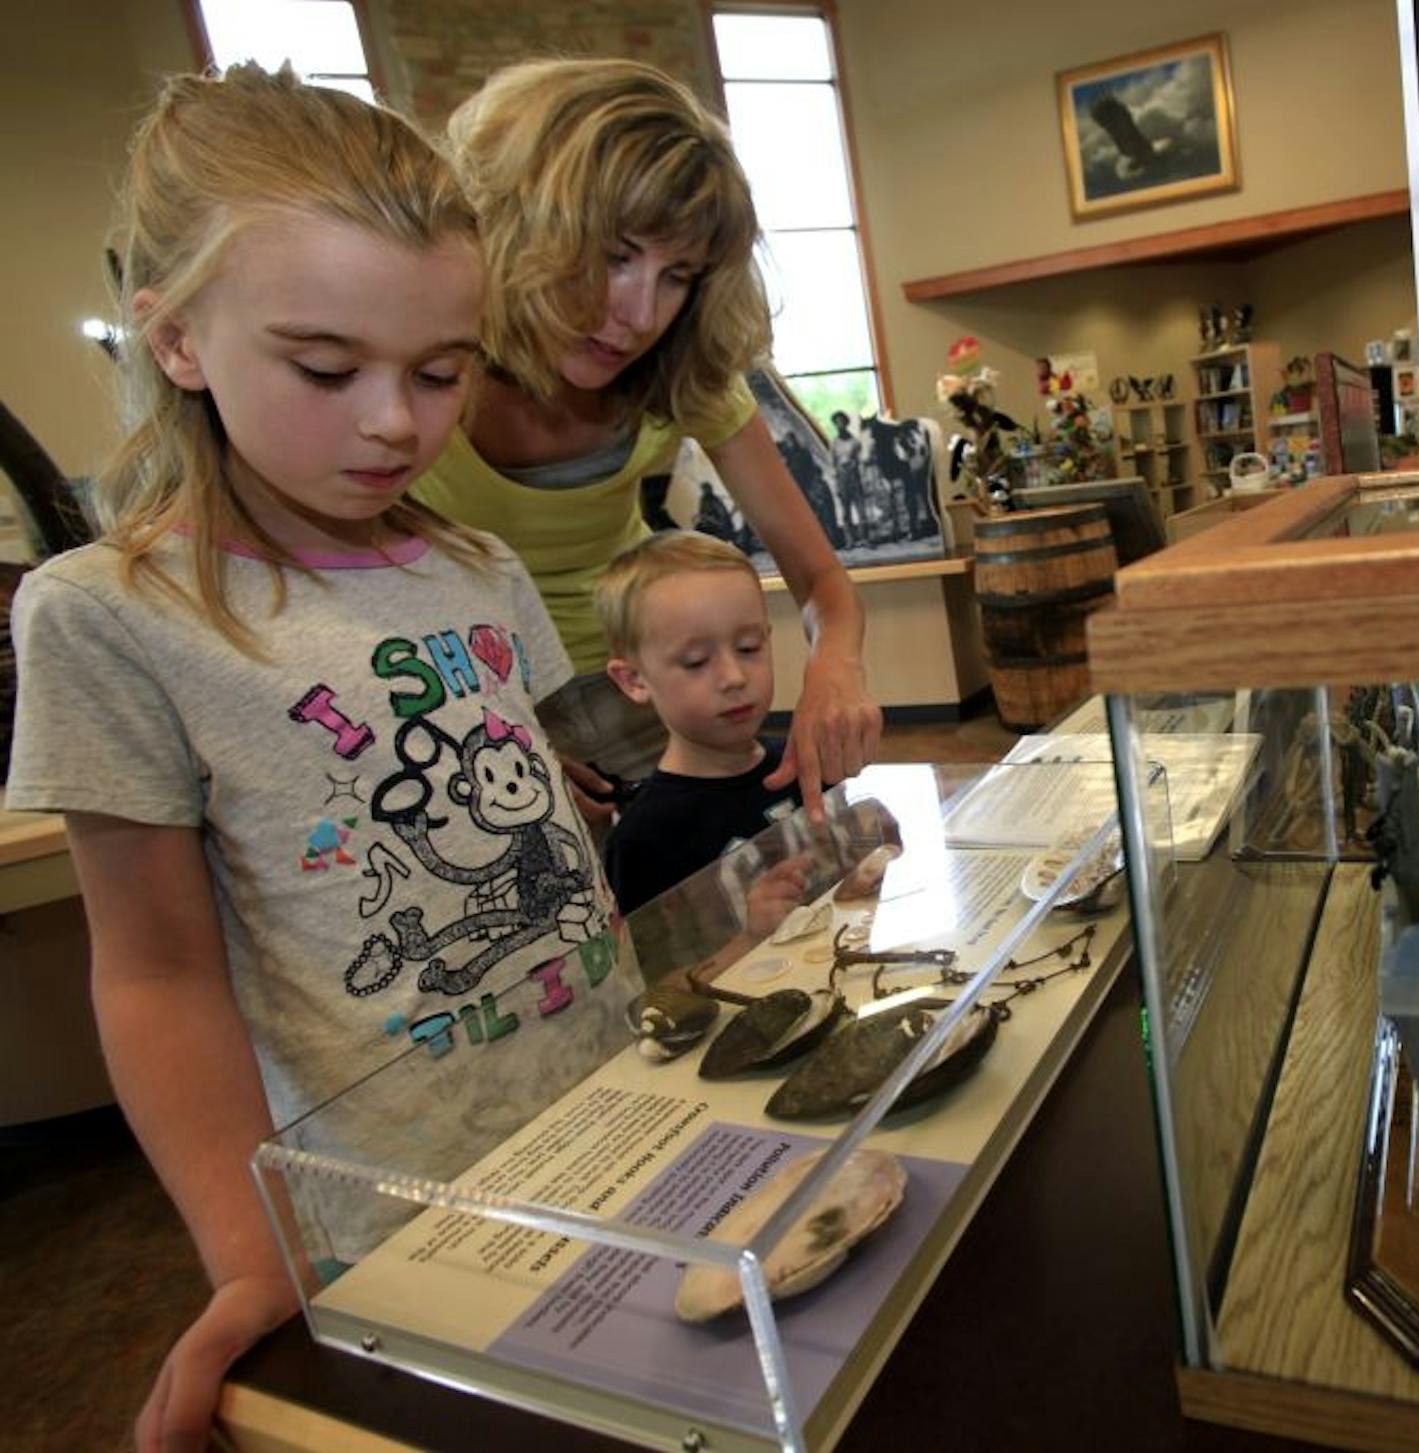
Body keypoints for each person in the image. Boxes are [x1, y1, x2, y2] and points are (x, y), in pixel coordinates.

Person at [5, 67, 631, 1453]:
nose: (396, 423)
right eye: (326, 368)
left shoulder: (480, 564)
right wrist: (249, 1252)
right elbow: (156, 972)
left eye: (441, 368)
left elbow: (567, 834)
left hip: (602, 1125)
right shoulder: (111, 616)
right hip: (382, 1210)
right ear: (176, 339)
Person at [410, 58, 880, 815]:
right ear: (522, 227)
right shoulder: (424, 368)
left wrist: (836, 666)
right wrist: (500, 744)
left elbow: (822, 580)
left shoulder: (683, 372)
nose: (639, 313)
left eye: (678, 275)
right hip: (472, 712)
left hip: (644, 689)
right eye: (615, 256)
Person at [592, 531, 797, 913]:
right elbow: (658, 966)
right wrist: (749, 939)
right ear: (634, 680)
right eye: (696, 661)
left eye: (749, 648)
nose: (734, 676)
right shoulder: (643, 839)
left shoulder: (802, 765)